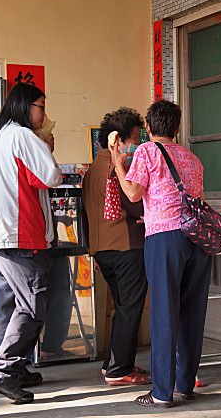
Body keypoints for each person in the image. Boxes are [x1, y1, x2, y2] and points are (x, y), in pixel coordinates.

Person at [110, 101, 211, 408]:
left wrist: (117, 163)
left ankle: (161, 392)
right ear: (177, 129)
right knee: (191, 314)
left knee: (164, 313)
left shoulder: (147, 151)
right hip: (197, 239)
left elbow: (133, 193)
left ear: (150, 129)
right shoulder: (192, 158)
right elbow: (196, 200)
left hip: (165, 240)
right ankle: (184, 385)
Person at [0, 83, 62, 404]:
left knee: (8, 307)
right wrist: (47, 148)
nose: (44, 113)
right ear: (25, 106)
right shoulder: (24, 137)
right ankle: (2, 371)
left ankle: (16, 367)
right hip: (22, 234)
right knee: (33, 305)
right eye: (41, 105)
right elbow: (49, 176)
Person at [82, 107, 150, 386]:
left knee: (123, 307)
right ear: (118, 141)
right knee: (129, 309)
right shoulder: (118, 167)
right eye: (135, 138)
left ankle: (112, 362)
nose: (138, 144)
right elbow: (134, 202)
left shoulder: (92, 169)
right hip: (126, 245)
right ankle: (119, 369)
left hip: (103, 249)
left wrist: (92, 249)